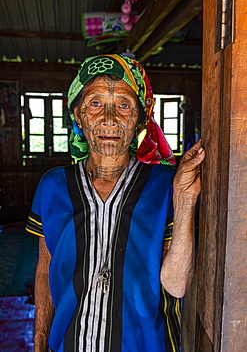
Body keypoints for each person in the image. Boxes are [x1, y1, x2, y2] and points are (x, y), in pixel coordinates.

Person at [26, 54, 205, 352]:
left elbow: (176, 285)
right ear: (78, 115)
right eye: (95, 104)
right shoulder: (53, 186)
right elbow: (45, 268)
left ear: (140, 118)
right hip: (69, 343)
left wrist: (185, 199)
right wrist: (40, 340)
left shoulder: (164, 184)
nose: (109, 118)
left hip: (145, 345)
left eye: (124, 105)